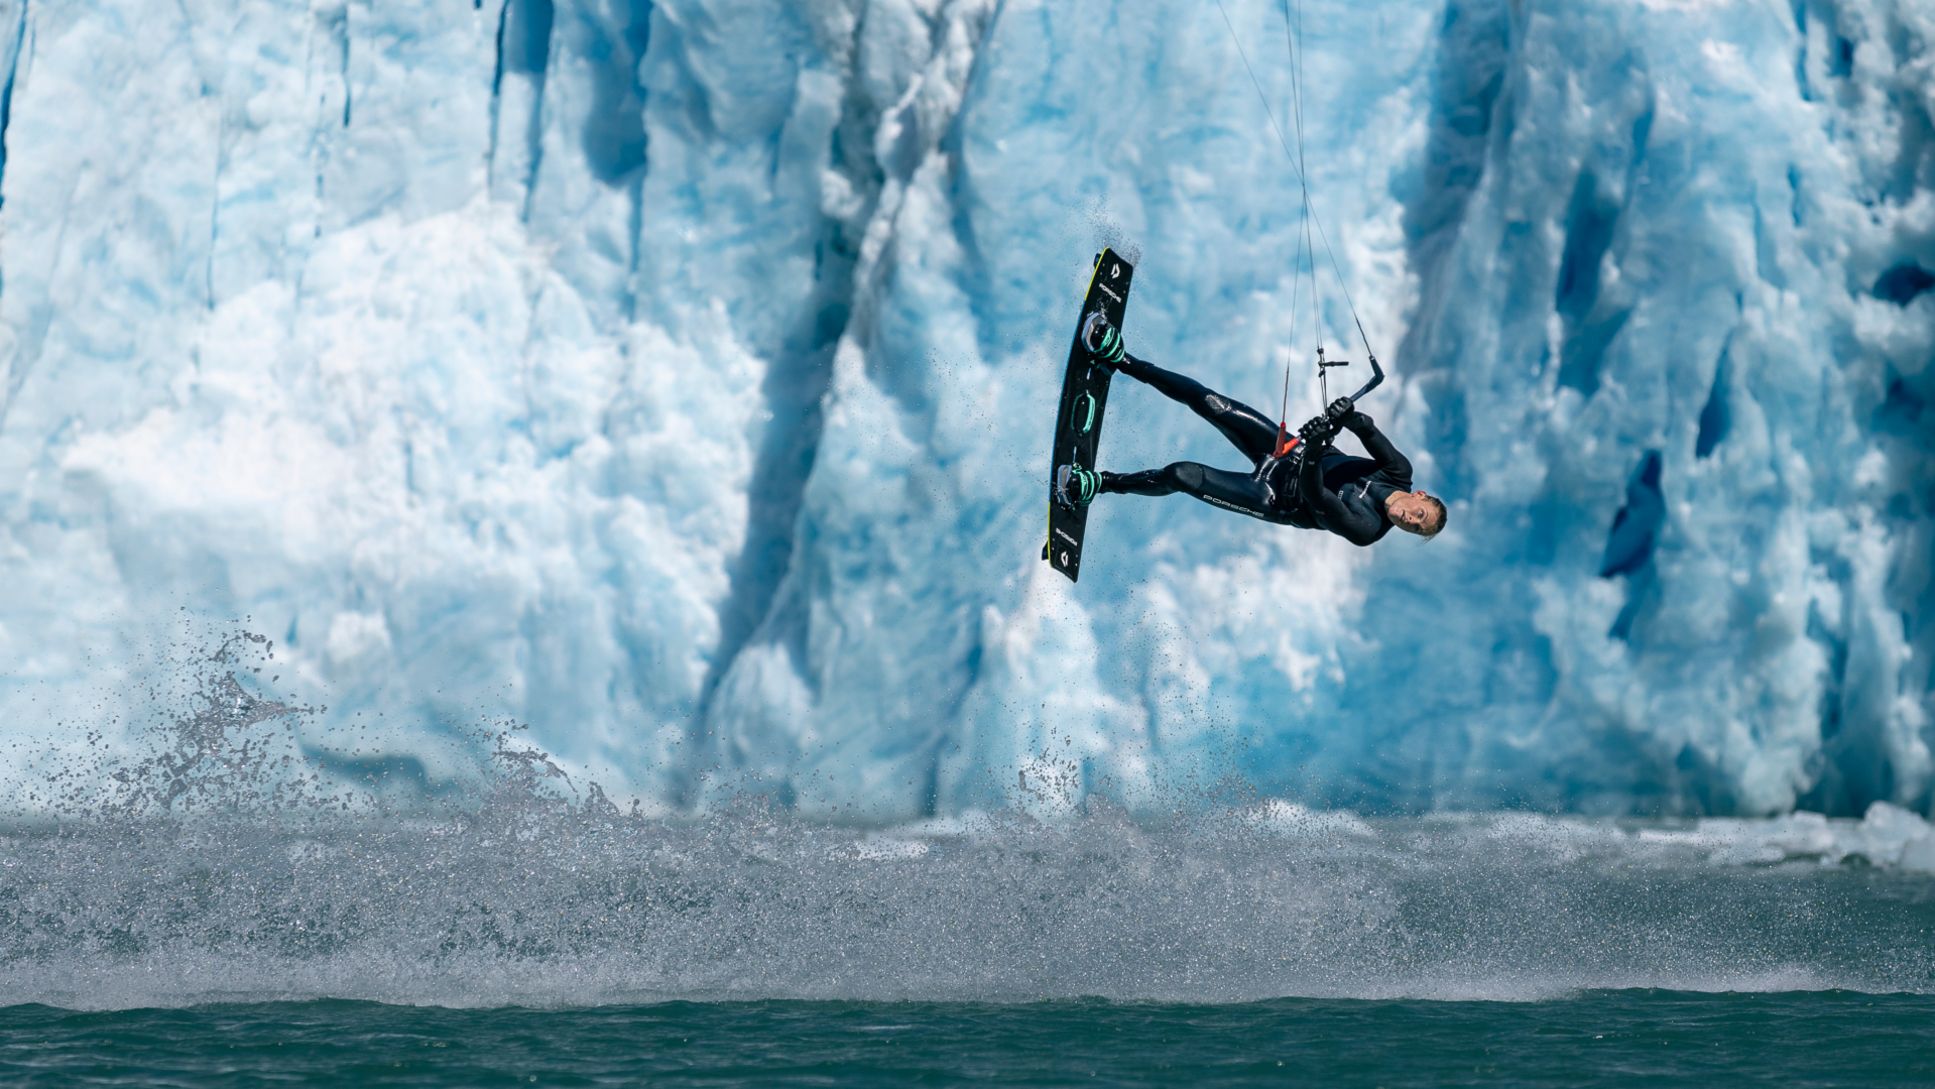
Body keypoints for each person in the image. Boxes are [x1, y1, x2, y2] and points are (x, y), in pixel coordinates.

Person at [1056, 314, 1445, 546]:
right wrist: (1346, 415)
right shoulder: (1398, 473)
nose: (1410, 520)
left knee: (1181, 474)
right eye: (1419, 514)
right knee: (1210, 402)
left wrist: (1313, 450)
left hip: (1274, 495)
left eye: (1414, 528)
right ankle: (1121, 359)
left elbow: (1317, 495)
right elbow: (1368, 430)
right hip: (1288, 451)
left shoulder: (1368, 528)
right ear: (1420, 496)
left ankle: (1097, 484)